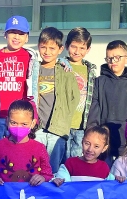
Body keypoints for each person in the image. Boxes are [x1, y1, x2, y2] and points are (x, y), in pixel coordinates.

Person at [0, 15, 40, 159]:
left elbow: (52, 60)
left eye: (21, 33)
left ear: (27, 37)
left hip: (18, 119)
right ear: (5, 34)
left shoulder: (31, 57)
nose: (16, 37)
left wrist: (65, 62)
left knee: (17, 157)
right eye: (13, 32)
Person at [86, 40, 127, 159]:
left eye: (117, 57)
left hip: (125, 141)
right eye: (109, 58)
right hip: (103, 142)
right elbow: (93, 112)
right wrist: (94, 136)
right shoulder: (99, 81)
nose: (113, 61)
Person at [34, 27, 79, 173]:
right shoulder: (34, 69)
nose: (47, 52)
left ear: (60, 49)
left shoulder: (66, 71)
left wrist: (64, 119)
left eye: (52, 48)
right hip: (37, 128)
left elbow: (74, 98)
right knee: (35, 167)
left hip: (58, 130)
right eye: (43, 47)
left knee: (53, 170)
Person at [64, 27, 98, 159]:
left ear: (88, 50)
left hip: (81, 126)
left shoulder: (91, 70)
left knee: (78, 159)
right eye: (74, 46)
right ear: (67, 46)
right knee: (63, 160)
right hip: (64, 125)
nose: (77, 51)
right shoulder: (61, 66)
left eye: (82, 48)